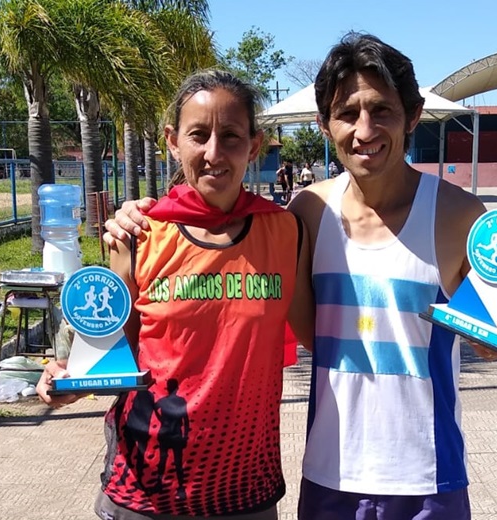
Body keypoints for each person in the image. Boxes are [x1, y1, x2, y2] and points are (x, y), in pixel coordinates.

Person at [106, 33, 497, 520]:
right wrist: (135, 218)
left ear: (412, 115)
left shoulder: (462, 217)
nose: (364, 130)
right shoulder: (306, 214)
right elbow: (307, 332)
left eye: (381, 110)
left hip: (428, 475)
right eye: (347, 113)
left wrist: (495, 311)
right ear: (324, 124)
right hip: (329, 476)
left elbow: (494, 341)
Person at [37, 69, 313, 520]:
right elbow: (113, 352)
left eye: (231, 136)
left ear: (254, 145)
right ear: (172, 141)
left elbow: (318, 335)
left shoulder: (286, 231)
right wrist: (70, 381)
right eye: (198, 135)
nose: (213, 152)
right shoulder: (138, 235)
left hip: (245, 486)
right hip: (146, 488)